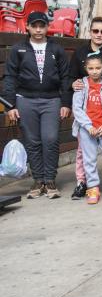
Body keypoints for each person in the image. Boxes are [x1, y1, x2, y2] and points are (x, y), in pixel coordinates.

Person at [3, 12, 72, 200]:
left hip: (51, 100)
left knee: (50, 139)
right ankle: (38, 180)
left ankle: (50, 180)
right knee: (32, 142)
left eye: (42, 26)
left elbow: (66, 77)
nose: (39, 29)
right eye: (35, 26)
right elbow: (9, 77)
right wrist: (10, 106)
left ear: (48, 27)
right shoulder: (18, 49)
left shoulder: (56, 49)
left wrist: (66, 102)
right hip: (25, 100)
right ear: (28, 27)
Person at [67, 16, 102, 199]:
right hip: (87, 127)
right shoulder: (80, 64)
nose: (99, 34)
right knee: (87, 158)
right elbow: (77, 106)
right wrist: (87, 125)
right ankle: (90, 187)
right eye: (95, 30)